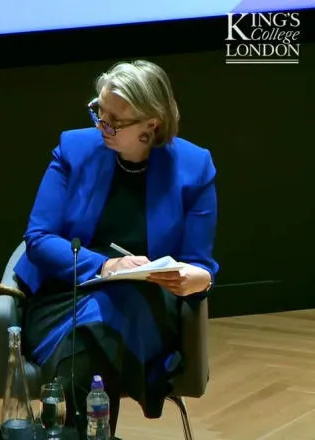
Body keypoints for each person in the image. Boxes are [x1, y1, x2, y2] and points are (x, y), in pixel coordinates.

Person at [13, 60, 218, 439]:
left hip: (146, 306)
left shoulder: (194, 167)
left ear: (151, 124)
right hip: (66, 295)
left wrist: (196, 278)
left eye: (114, 121)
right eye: (98, 112)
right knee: (91, 336)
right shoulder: (74, 149)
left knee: (91, 343)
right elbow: (39, 238)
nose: (101, 126)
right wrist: (106, 266)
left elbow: (201, 266)